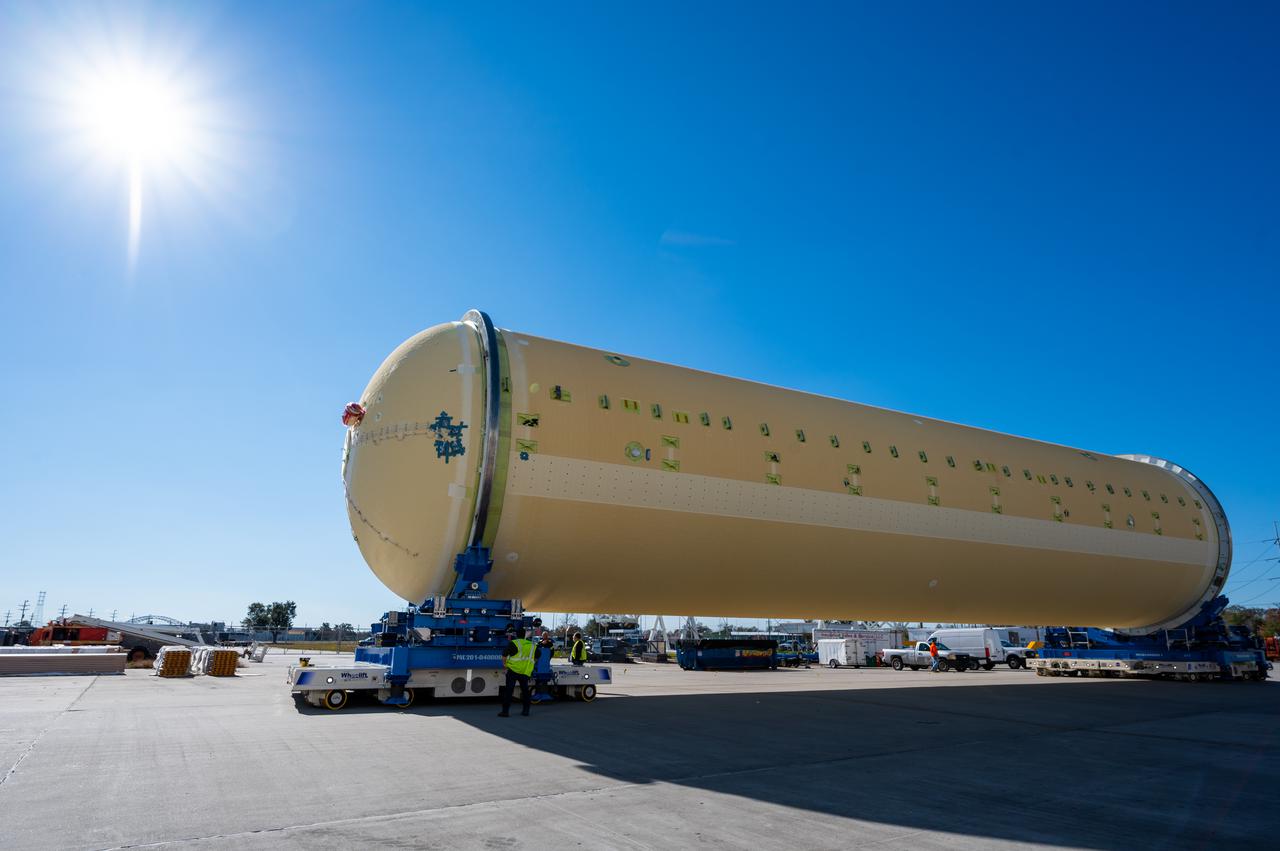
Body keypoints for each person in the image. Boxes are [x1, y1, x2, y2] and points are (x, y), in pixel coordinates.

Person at [499, 626, 537, 717]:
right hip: (525, 672)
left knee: (509, 691)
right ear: (524, 635)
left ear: (516, 635)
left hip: (513, 670)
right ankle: (526, 711)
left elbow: (504, 655)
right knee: (525, 691)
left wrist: (504, 664)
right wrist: (531, 664)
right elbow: (538, 655)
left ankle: (505, 712)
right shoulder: (531, 645)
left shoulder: (514, 643)